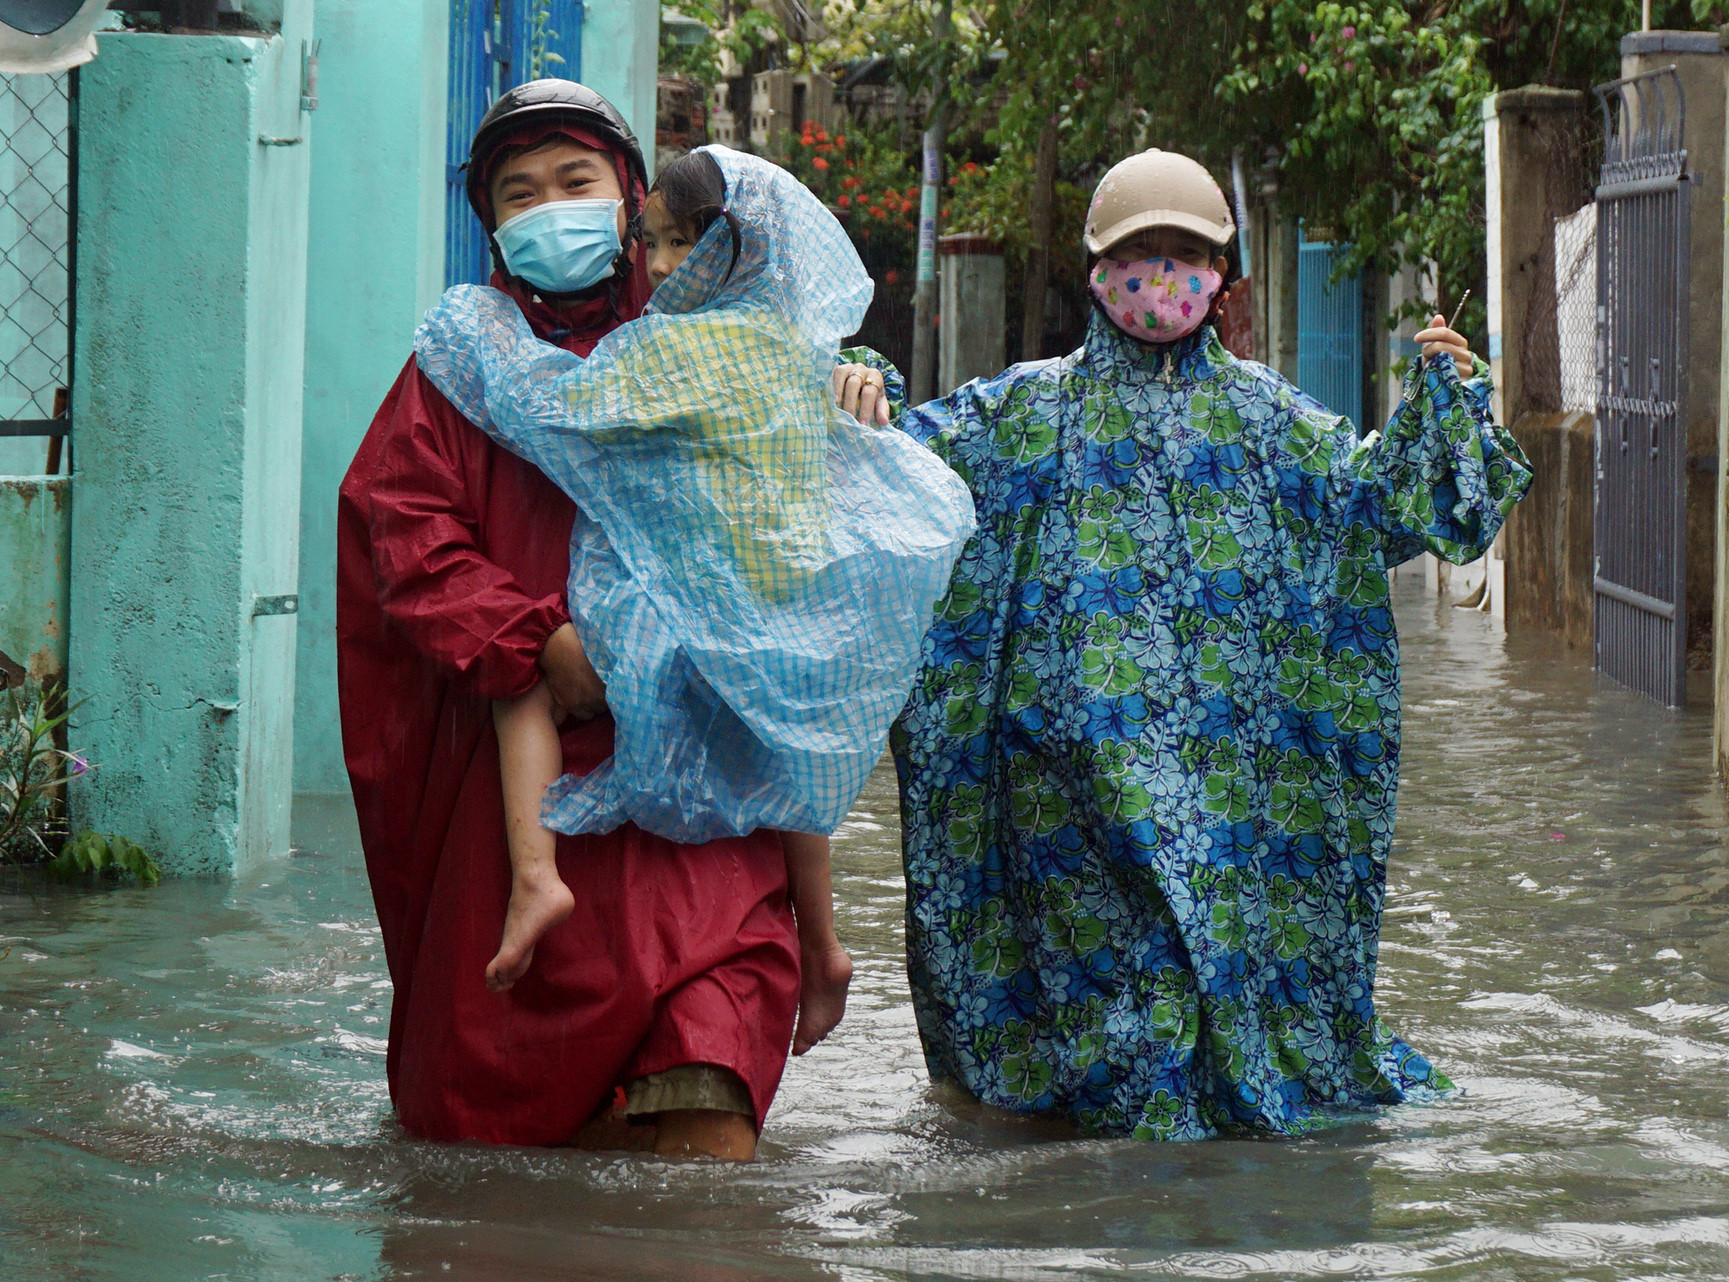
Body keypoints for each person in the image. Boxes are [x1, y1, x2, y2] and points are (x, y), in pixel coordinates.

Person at [879, 149, 1533, 1139]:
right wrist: (860, 384)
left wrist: (1453, 407)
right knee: (1104, 1034)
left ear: (1219, 272)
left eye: (1184, 252)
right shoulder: (1021, 413)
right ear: (1097, 271)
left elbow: (1392, 510)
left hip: (1227, 788)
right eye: (1139, 252)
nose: (1161, 273)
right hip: (1067, 791)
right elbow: (888, 461)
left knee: (1201, 1007)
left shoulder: (1277, 425)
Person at [337, 82, 902, 1160]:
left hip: (705, 803)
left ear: (631, 199)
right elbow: (401, 534)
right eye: (518, 192)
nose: (550, 207)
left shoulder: (710, 331)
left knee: (707, 1124)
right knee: (492, 1151)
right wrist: (532, 643)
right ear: (490, 223)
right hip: (531, 801)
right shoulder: (456, 369)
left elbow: (809, 384)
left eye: (575, 182)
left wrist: (861, 381)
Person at [422, 146, 972, 1060]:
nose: (665, 266)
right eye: (658, 243)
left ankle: (533, 876)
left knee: (524, 669)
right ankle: (826, 944)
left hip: (690, 607)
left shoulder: (677, 347)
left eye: (685, 244)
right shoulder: (793, 343)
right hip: (789, 601)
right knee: (797, 763)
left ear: (734, 248)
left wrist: (474, 331)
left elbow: (550, 407)